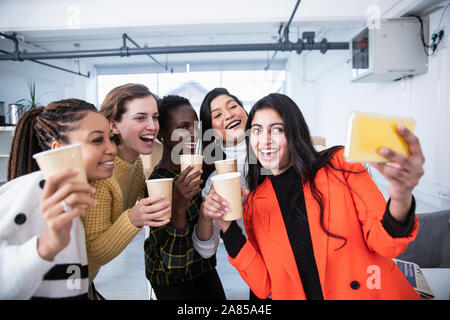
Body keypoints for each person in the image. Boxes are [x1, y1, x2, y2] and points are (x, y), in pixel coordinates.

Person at [203, 93, 424, 300]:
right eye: (258, 130)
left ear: (294, 132)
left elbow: (386, 244)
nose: (265, 140)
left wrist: (401, 196)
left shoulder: (340, 165)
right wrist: (226, 225)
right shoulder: (255, 203)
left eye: (277, 129)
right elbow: (264, 285)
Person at [0, 99, 115, 299]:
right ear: (58, 148)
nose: (112, 149)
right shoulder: (27, 193)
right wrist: (46, 247)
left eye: (110, 138)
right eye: (97, 140)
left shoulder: (70, 197)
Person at [82, 84, 170, 297]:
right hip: (72, 281)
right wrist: (133, 218)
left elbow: (147, 195)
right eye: (140, 118)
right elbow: (91, 253)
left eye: (155, 117)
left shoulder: (135, 162)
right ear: (113, 125)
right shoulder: (102, 176)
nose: (152, 126)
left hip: (87, 282)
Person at [145, 94, 226, 300]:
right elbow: (175, 265)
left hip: (203, 267)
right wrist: (179, 208)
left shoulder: (197, 170)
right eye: (182, 127)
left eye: (195, 126)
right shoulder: (158, 184)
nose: (193, 133)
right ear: (162, 133)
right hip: (172, 280)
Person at [194, 88, 266, 300]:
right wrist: (206, 214)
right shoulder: (215, 181)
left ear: (245, 112)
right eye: (217, 115)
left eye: (233, 106)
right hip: (261, 274)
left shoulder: (275, 155)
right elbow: (206, 250)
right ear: (212, 132)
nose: (228, 114)